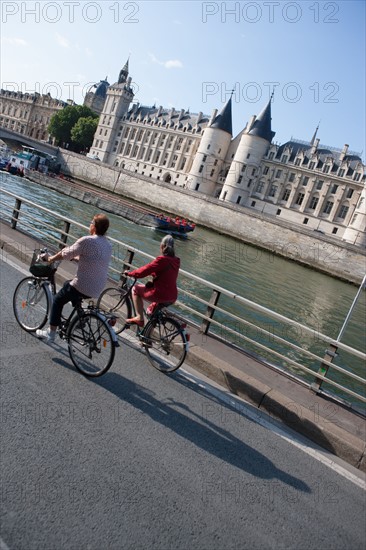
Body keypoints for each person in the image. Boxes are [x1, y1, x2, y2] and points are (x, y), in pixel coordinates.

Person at [36, 213, 112, 343]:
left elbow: (66, 252)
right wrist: (76, 258)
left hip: (83, 284)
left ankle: (51, 333)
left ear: (94, 226)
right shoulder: (108, 245)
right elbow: (92, 259)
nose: (90, 224)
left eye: (91, 222)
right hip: (98, 287)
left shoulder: (87, 240)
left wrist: (50, 259)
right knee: (68, 285)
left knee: (58, 300)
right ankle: (81, 317)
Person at [125, 235, 180, 327]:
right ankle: (148, 337)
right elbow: (166, 274)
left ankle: (139, 318)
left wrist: (131, 273)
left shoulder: (162, 260)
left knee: (135, 289)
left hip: (160, 293)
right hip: (172, 296)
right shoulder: (176, 261)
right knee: (154, 313)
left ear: (162, 246)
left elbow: (145, 270)